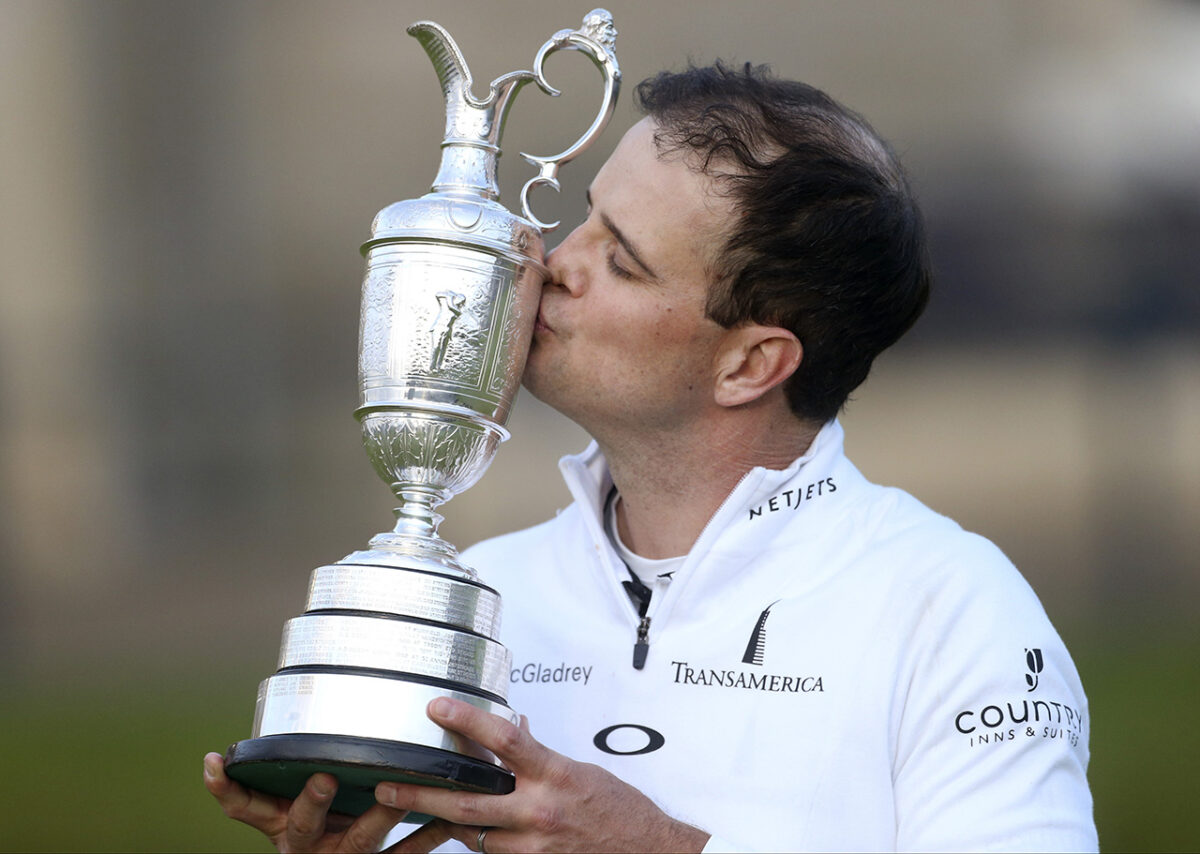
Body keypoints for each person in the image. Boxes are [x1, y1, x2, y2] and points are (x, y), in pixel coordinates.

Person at [205, 62, 1097, 853]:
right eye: (587, 219)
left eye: (621, 260)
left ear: (750, 364)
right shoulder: (474, 593)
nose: (552, 262)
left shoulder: (951, 610)